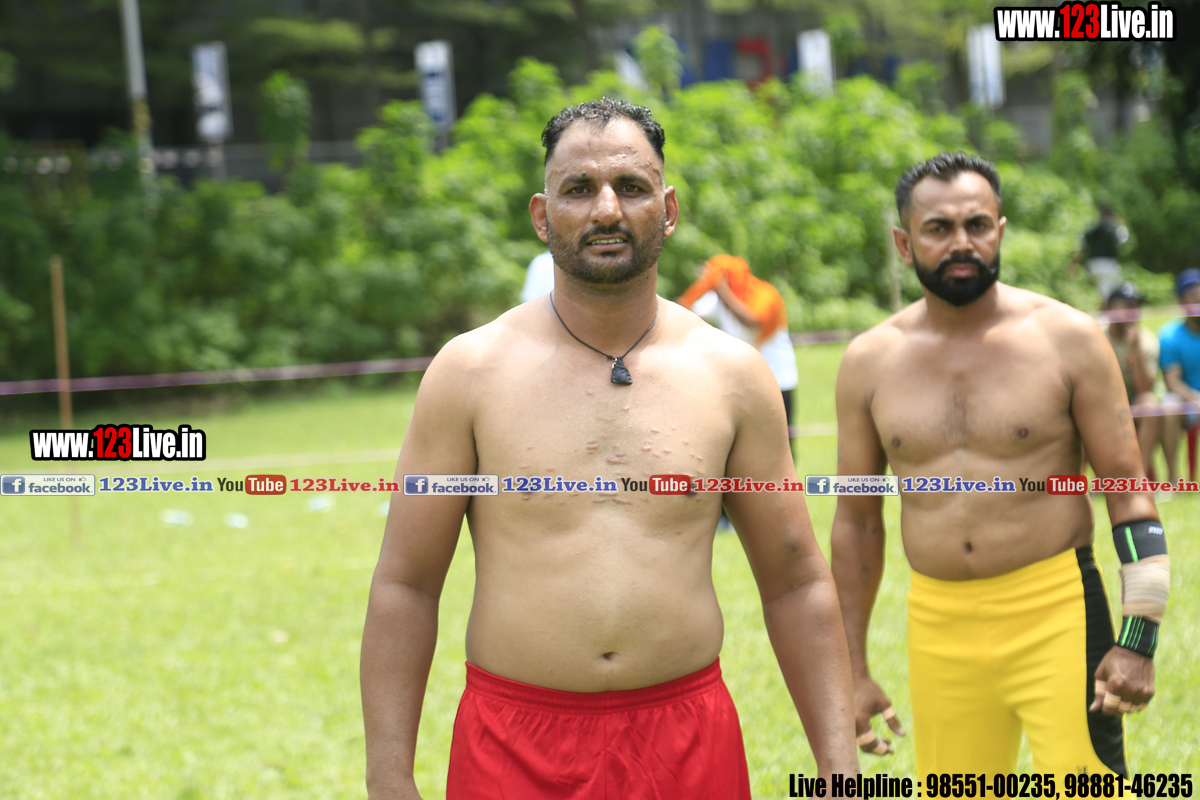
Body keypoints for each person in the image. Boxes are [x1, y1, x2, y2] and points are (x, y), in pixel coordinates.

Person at [361, 98, 858, 800]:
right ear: (542, 216)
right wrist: (389, 778)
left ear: (668, 208)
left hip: (687, 742)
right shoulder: (469, 372)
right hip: (513, 745)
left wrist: (841, 773)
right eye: (578, 188)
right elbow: (406, 585)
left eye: (630, 186)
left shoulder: (733, 375)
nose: (606, 209)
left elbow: (796, 581)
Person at [831, 152, 1168, 779]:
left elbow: (1130, 496)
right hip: (938, 624)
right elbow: (856, 523)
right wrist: (850, 670)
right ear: (904, 243)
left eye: (977, 225)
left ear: (1000, 231)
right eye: (939, 228)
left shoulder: (1068, 339)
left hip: (1057, 608)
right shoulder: (869, 362)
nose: (962, 242)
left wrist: (1138, 639)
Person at [678, 254, 799, 423]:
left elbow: (753, 321)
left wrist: (722, 290)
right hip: (743, 382)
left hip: (777, 379)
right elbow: (684, 312)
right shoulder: (718, 300)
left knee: (783, 434)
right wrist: (701, 287)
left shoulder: (764, 292)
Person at [1101, 282, 1163, 479]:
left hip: (1134, 399)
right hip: (1103, 401)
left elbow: (1145, 387)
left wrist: (1135, 349)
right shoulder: (1096, 338)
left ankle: (1139, 475)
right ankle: (1101, 477)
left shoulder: (1147, 341)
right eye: (1126, 305)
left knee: (1150, 404)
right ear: (1108, 308)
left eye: (1135, 306)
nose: (1132, 311)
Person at [1160, 268, 1200, 482]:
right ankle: (1173, 479)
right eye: (1193, 296)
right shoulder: (1170, 335)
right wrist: (1195, 398)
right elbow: (1172, 381)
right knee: (1169, 407)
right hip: (1187, 403)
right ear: (1182, 302)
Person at [1071, 204, 1129, 301]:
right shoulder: (1112, 231)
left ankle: (1105, 307)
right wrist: (1119, 220)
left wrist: (1074, 264)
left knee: (1103, 291)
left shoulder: (1090, 232)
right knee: (1110, 293)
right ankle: (1107, 309)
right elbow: (1124, 237)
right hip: (1109, 265)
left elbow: (1081, 249)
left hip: (1093, 265)